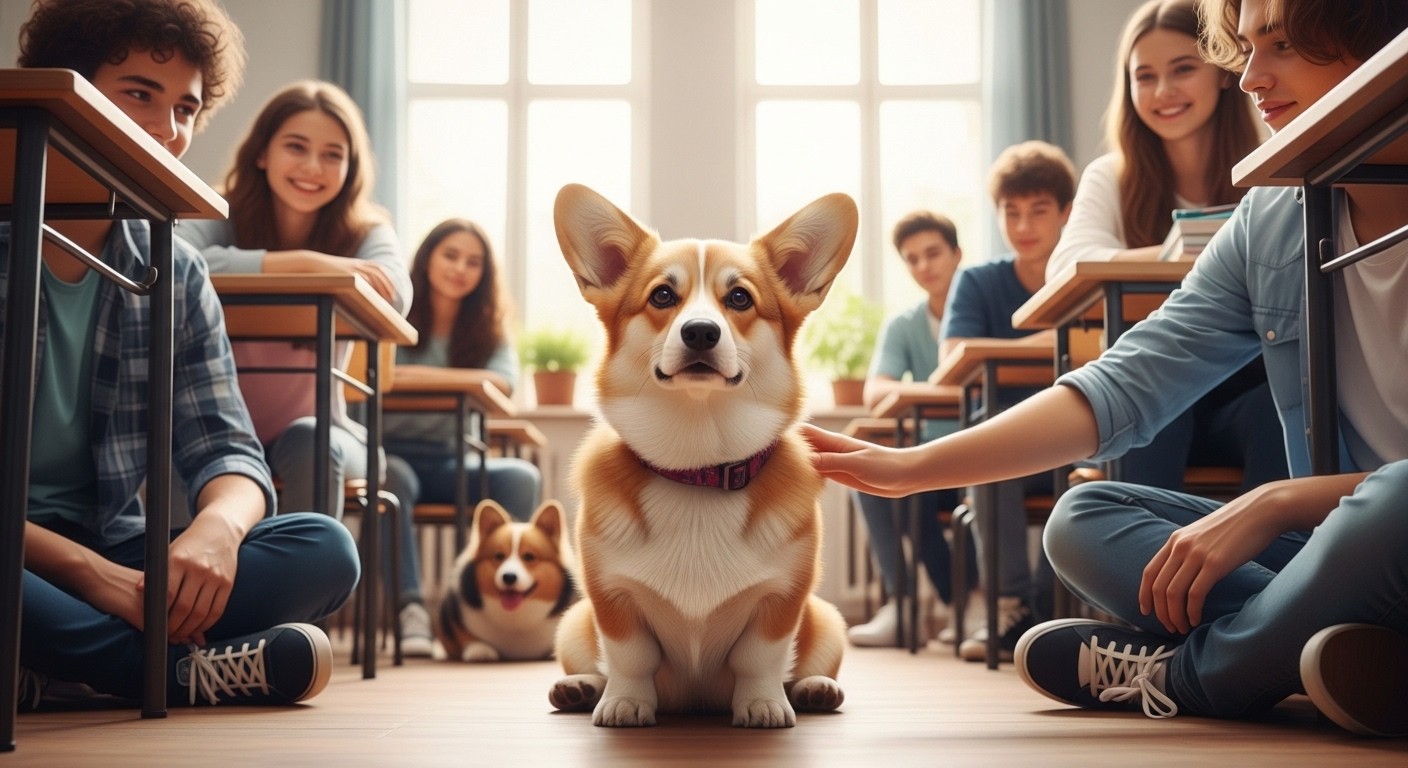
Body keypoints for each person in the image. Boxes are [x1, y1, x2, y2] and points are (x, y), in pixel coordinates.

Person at [804, 0, 1408, 736]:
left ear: (1381, 39)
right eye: (1246, 48)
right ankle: (1335, 649)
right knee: (1085, 516)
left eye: (1279, 45)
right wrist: (910, 468)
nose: (1251, 77)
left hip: (1383, 522)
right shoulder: (1271, 220)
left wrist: (1279, 501)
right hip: (1343, 548)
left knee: (1394, 500)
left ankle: (1193, 676)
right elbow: (1119, 385)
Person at [11, 0, 360, 710]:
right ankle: (165, 672)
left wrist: (216, 531)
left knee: (324, 547)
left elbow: (227, 449)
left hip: (114, 548)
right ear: (64, 85)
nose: (166, 130)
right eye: (140, 93)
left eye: (185, 110)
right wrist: (89, 577)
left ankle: (48, 664)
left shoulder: (175, 269)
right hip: (24, 553)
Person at [1048, 0, 1288, 495]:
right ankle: (1134, 568)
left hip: (1246, 401)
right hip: (1154, 393)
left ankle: (1280, 571)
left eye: (1182, 69)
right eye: (1144, 76)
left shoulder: (1271, 166)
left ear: (1224, 72)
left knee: (1278, 408)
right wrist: (1198, 253)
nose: (1163, 91)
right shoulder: (1111, 177)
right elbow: (1069, 268)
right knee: (1151, 406)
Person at [180, 80, 412, 521]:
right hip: (216, 425)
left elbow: (394, 293)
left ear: (350, 168)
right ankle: (175, 586)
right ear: (262, 153)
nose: (313, 167)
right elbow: (175, 258)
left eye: (332, 155)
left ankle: (305, 584)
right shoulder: (219, 212)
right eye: (296, 147)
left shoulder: (366, 230)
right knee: (175, 429)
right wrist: (307, 264)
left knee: (312, 437)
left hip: (324, 435)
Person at [939, 140, 1075, 662]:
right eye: (1011, 212)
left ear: (1065, 211)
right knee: (989, 431)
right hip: (1009, 449)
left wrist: (1004, 352)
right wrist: (1060, 346)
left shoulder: (1081, 279)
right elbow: (955, 360)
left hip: (1077, 440)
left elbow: (1115, 351)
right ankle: (1012, 605)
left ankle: (1050, 604)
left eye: (1039, 210)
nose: (1024, 225)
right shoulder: (978, 281)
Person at [381, 219, 542, 656]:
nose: (460, 268)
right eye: (450, 255)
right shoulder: (391, 312)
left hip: (453, 460)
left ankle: (496, 612)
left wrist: (417, 374)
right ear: (428, 258)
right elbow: (373, 377)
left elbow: (503, 385)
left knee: (521, 477)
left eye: (473, 262)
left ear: (483, 275)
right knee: (390, 479)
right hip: (390, 455)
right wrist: (463, 379)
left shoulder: (489, 329)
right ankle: (409, 608)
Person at [845, 212, 975, 648]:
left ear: (957, 254)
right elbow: (875, 391)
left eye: (933, 253)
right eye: (912, 259)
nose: (924, 267)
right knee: (867, 474)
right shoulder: (904, 325)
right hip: (928, 458)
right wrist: (941, 388)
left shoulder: (983, 304)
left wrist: (921, 392)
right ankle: (902, 605)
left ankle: (966, 602)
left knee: (922, 482)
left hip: (982, 454)